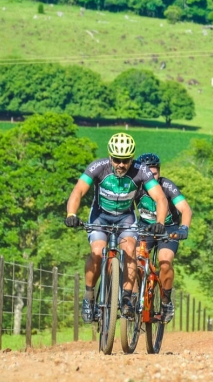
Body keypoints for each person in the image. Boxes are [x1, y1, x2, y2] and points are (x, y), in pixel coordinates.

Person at [64, 133, 169, 323]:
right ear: (110, 157)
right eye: (117, 160)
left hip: (125, 218)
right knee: (97, 250)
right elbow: (78, 190)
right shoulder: (98, 167)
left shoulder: (141, 171)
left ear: (132, 158)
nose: (121, 164)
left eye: (126, 160)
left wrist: (160, 222)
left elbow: (160, 198)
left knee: (129, 250)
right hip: (100, 216)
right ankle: (89, 298)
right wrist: (71, 214)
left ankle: (127, 298)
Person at [135, 153, 193, 323]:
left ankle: (166, 302)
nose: (151, 177)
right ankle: (135, 296)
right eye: (148, 174)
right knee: (135, 260)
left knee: (165, 262)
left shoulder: (167, 186)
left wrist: (184, 228)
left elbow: (185, 209)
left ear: (159, 172)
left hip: (168, 228)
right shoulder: (136, 187)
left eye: (154, 173)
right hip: (145, 227)